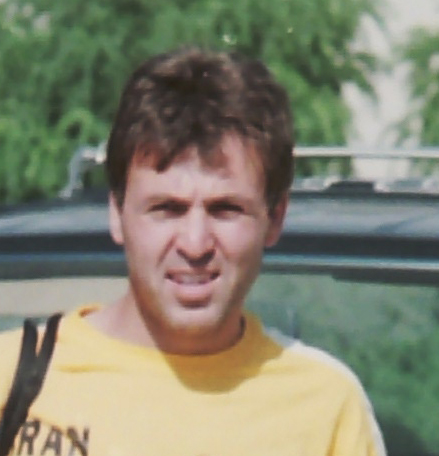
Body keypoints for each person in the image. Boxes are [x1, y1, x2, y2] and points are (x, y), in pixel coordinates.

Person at [0, 48, 386, 455]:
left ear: (275, 217)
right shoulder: (14, 377)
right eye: (167, 209)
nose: (195, 244)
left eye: (226, 209)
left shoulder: (326, 407)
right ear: (116, 213)